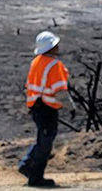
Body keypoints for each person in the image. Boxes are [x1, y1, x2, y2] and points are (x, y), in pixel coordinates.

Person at [19, 31, 71, 188]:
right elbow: (60, 91)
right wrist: (71, 108)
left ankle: (27, 165)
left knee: (42, 139)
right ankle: (36, 178)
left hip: (36, 106)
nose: (58, 46)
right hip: (47, 107)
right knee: (45, 143)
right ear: (51, 47)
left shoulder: (36, 62)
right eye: (55, 44)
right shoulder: (55, 65)